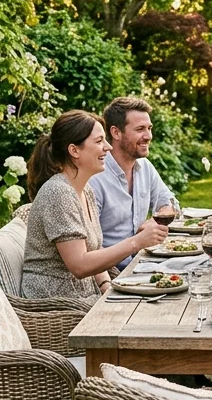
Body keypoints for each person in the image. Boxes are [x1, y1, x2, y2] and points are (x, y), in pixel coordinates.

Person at [21, 110, 168, 300]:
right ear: (74, 150)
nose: (108, 147)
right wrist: (137, 242)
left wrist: (105, 284)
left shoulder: (85, 190)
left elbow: (93, 250)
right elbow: (80, 265)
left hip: (85, 295)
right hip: (58, 304)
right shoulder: (58, 193)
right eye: (99, 141)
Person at [89, 97, 178, 267]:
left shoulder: (144, 167)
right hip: (109, 273)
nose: (148, 136)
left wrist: (155, 221)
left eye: (149, 128)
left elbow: (170, 201)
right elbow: (89, 247)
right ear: (116, 132)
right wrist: (138, 240)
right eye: (140, 129)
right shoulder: (95, 177)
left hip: (142, 263)